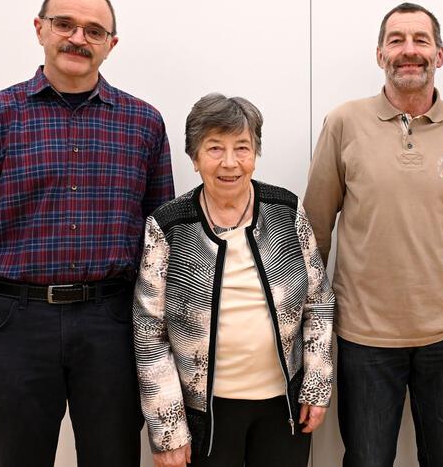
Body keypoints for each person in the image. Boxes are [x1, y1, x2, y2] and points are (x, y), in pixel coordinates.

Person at [0, 0, 174, 467]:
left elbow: (160, 247)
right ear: (39, 28)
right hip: (13, 325)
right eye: (64, 24)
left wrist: (162, 347)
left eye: (94, 30)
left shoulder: (144, 124)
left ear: (111, 44)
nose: (77, 38)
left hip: (112, 323)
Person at [304, 2, 443, 467]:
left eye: (420, 40)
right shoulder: (343, 124)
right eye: (396, 40)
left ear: (440, 53)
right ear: (379, 54)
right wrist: (307, 332)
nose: (408, 51)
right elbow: (313, 233)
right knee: (367, 459)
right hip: (364, 337)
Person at [134, 93, 335, 467]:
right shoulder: (169, 225)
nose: (230, 163)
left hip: (283, 409)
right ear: (194, 158)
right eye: (214, 149)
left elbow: (319, 301)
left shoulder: (286, 211)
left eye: (242, 147)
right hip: (204, 416)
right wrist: (168, 428)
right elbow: (149, 330)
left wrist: (317, 386)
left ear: (255, 153)